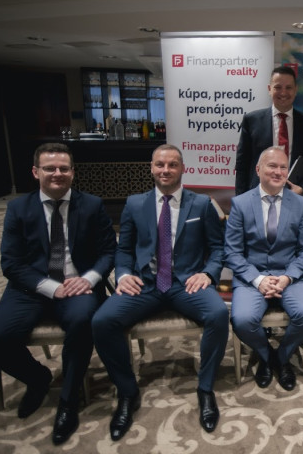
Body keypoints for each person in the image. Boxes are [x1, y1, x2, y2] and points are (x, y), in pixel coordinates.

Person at [0, 143, 116, 446]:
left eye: (64, 168)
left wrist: (88, 279)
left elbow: (109, 252)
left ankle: (68, 400)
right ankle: (37, 378)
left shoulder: (92, 205)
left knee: (82, 322)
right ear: (35, 172)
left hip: (78, 286)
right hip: (31, 289)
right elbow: (11, 263)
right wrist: (51, 287)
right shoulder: (18, 209)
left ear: (73, 172)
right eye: (50, 168)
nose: (57, 173)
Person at [92, 144, 229, 441]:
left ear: (183, 169)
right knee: (102, 321)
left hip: (186, 283)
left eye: (172, 164)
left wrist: (207, 274)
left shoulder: (201, 204)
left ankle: (205, 389)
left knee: (219, 314)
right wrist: (124, 275)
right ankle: (127, 392)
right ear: (151, 168)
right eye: (160, 164)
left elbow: (218, 248)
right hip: (145, 283)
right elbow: (124, 249)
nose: (165, 170)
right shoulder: (134, 204)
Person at [225, 146, 303, 391]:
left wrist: (287, 277)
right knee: (242, 320)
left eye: (283, 167)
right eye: (272, 166)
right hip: (252, 276)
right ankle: (266, 354)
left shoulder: (300, 204)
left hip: (289, 275)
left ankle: (282, 356)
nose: (278, 172)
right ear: (258, 170)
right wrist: (258, 280)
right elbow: (232, 253)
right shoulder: (240, 204)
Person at [235, 65, 303, 203]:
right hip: (258, 198)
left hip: (295, 198)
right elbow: (242, 166)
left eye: (288, 87)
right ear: (269, 89)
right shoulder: (252, 121)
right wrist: (241, 201)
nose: (283, 92)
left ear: (295, 90)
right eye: (278, 87)